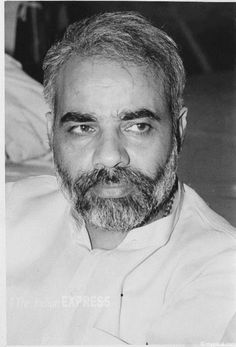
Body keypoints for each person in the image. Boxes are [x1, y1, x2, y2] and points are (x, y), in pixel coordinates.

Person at [6, 12, 236, 345]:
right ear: (50, 132)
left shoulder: (219, 275)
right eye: (84, 127)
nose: (110, 155)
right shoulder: (11, 212)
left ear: (179, 130)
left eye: (138, 126)